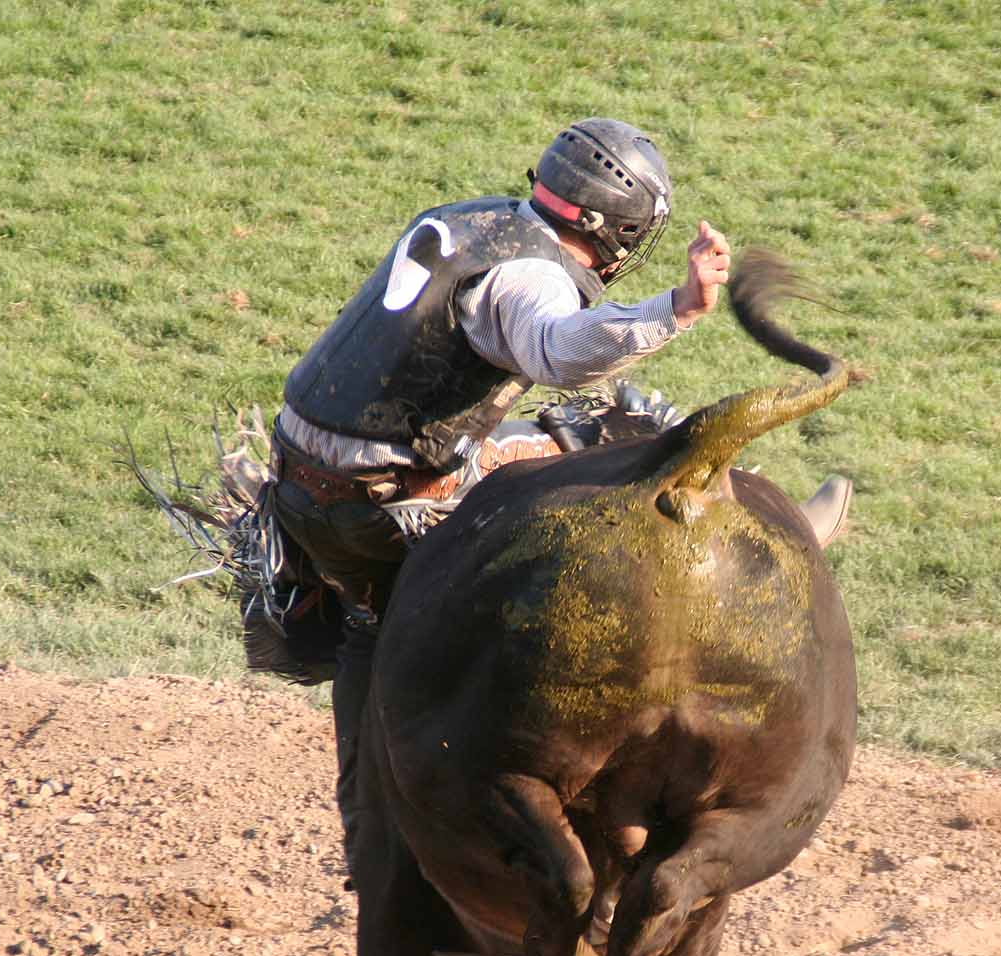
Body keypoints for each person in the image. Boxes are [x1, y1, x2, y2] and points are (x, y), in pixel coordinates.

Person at [266, 117, 852, 858]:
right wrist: (674, 308)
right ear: (619, 229)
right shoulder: (530, 274)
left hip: (306, 473)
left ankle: (367, 826)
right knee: (600, 437)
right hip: (384, 504)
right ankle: (384, 820)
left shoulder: (473, 221)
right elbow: (556, 351)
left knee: (611, 420)